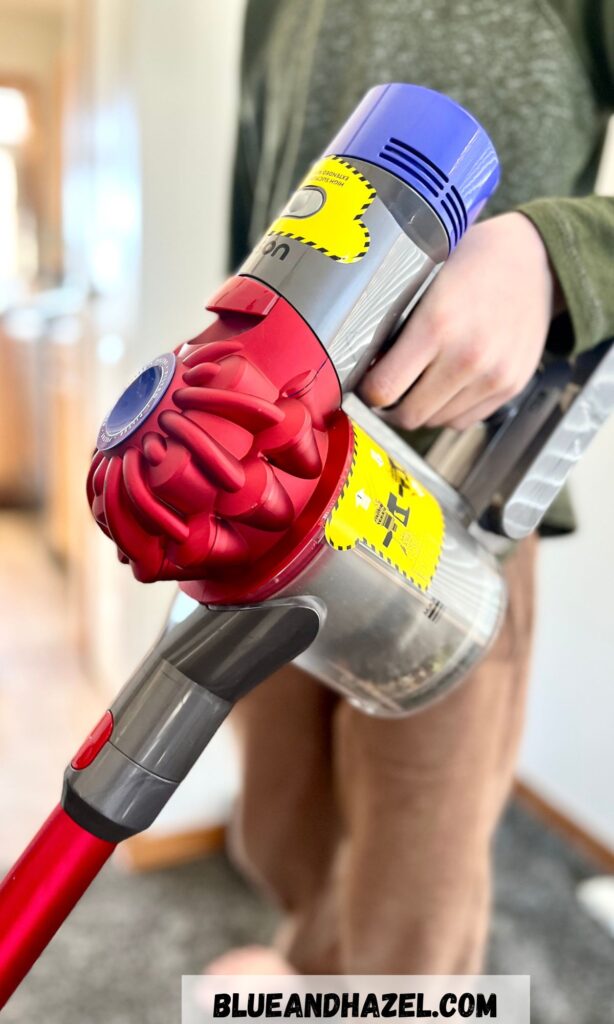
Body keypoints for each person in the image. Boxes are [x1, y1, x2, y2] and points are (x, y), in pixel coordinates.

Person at [208, 0, 614, 975]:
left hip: (451, 518)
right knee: (279, 836)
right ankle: (306, 966)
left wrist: (552, 255)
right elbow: (257, 215)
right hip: (269, 502)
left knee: (409, 917)